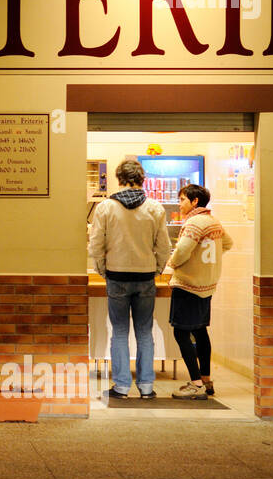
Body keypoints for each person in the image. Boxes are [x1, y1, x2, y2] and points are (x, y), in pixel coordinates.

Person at [88, 159, 171, 398]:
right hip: (145, 277)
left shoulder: (106, 207)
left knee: (120, 331)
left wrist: (103, 270)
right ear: (142, 179)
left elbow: (96, 246)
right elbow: (164, 246)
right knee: (145, 331)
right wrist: (156, 270)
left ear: (119, 179)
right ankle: (146, 387)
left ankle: (122, 386)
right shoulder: (155, 208)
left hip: (117, 275)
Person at [168, 183, 233, 399]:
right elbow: (228, 243)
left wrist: (173, 262)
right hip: (207, 286)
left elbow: (182, 251)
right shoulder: (213, 222)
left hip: (188, 285)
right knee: (200, 331)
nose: (180, 204)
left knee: (181, 332)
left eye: (183, 200)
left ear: (195, 201)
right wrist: (207, 262)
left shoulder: (194, 223)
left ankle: (195, 384)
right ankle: (206, 379)